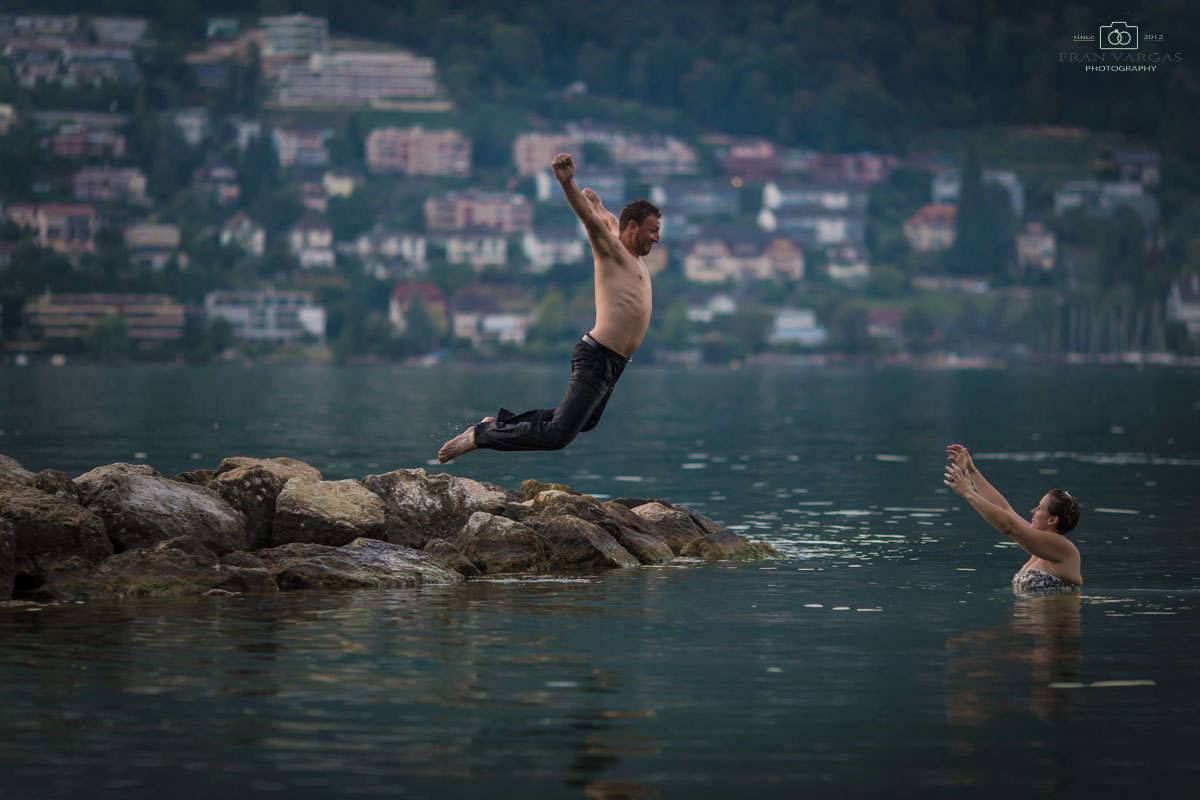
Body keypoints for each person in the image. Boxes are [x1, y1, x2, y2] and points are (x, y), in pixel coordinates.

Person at [437, 153, 661, 463]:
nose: (657, 238)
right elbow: (589, 219)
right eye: (652, 230)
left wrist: (596, 201)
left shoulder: (627, 247)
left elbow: (606, 216)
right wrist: (568, 182)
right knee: (558, 434)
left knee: (585, 421)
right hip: (597, 357)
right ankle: (481, 436)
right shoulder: (610, 250)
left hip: (615, 362)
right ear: (634, 227)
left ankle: (497, 424)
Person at [943, 443, 1082, 591]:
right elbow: (1004, 509)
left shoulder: (1063, 547)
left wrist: (968, 493)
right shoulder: (1040, 542)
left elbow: (1009, 526)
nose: (1032, 511)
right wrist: (971, 470)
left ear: (1052, 520)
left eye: (1040, 509)